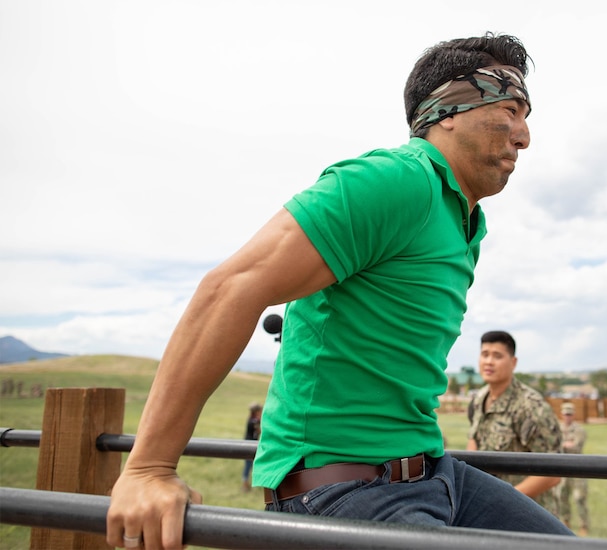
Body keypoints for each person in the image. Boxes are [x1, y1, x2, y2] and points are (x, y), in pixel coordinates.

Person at [106, 32, 574, 550]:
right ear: (448, 109)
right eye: (510, 110)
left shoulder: (466, 221)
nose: (524, 135)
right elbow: (231, 286)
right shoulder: (397, 179)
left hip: (435, 472)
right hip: (345, 486)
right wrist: (149, 468)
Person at [467, 330, 562, 513]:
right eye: (484, 354)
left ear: (513, 362)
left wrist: (503, 501)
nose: (489, 362)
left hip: (530, 514)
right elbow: (474, 444)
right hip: (488, 511)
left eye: (497, 356)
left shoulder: (531, 406)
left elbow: (553, 472)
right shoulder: (478, 400)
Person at [553, 402, 589, 536]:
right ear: (561, 414)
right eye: (565, 414)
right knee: (562, 496)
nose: (567, 417)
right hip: (562, 468)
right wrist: (565, 444)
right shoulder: (557, 428)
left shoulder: (579, 430)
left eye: (570, 414)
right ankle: (565, 521)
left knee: (579, 498)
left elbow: (576, 446)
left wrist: (564, 445)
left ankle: (583, 525)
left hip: (578, 468)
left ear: (573, 415)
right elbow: (555, 444)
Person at [241, 402, 262, 492]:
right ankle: (245, 483)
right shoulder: (254, 421)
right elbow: (260, 430)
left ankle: (248, 483)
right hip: (250, 445)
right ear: (256, 412)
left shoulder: (252, 419)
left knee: (251, 464)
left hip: (250, 443)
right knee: (249, 465)